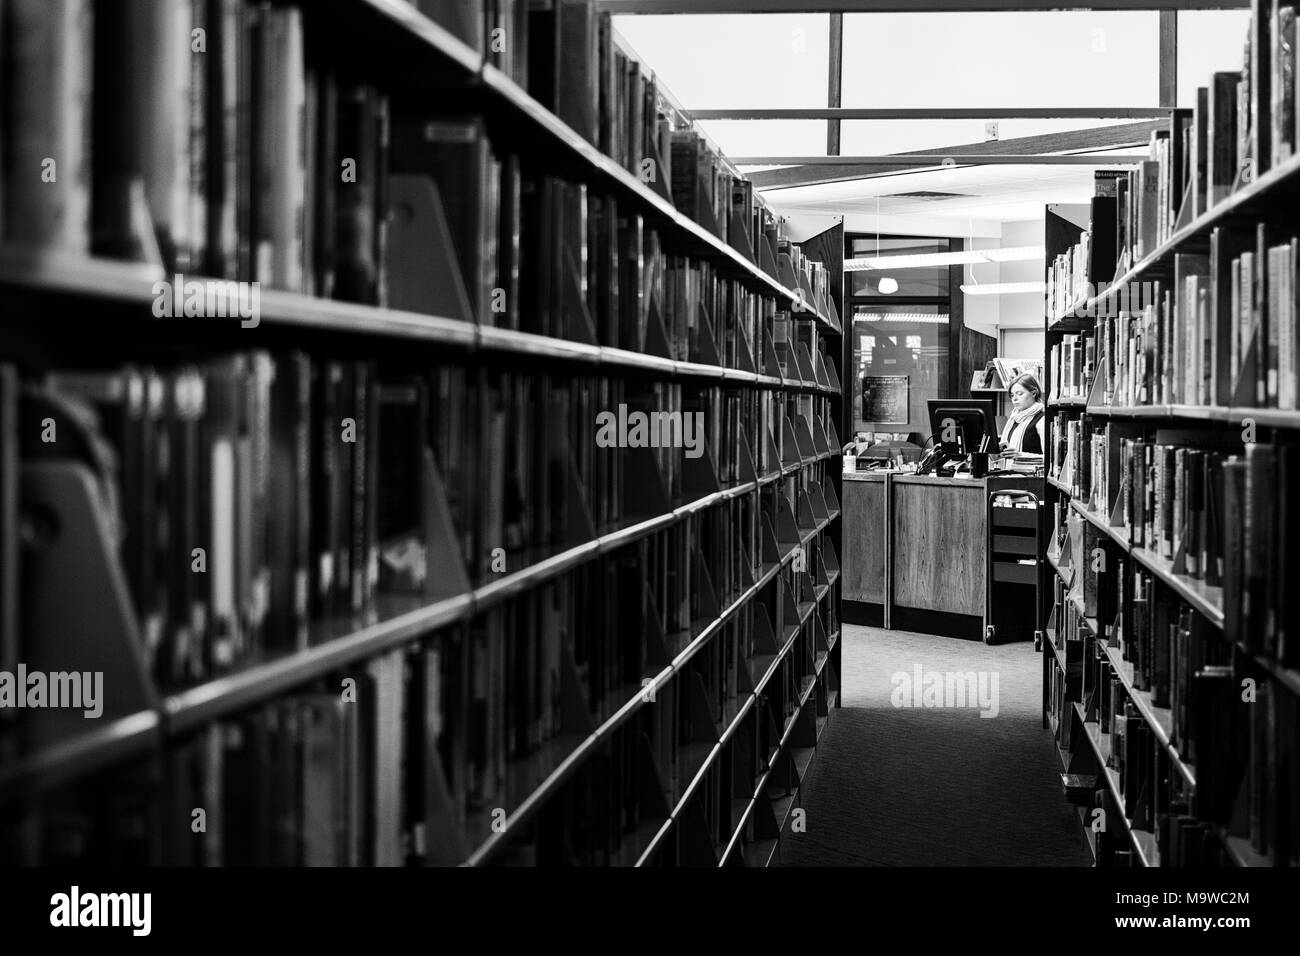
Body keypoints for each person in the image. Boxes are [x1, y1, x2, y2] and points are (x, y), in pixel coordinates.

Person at [999, 373, 1045, 454]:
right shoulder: (1014, 419)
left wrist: (1020, 456)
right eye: (1012, 395)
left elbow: (1048, 459)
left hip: (1030, 467)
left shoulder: (1042, 419)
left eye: (1019, 394)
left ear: (1034, 393)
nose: (1014, 399)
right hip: (1012, 467)